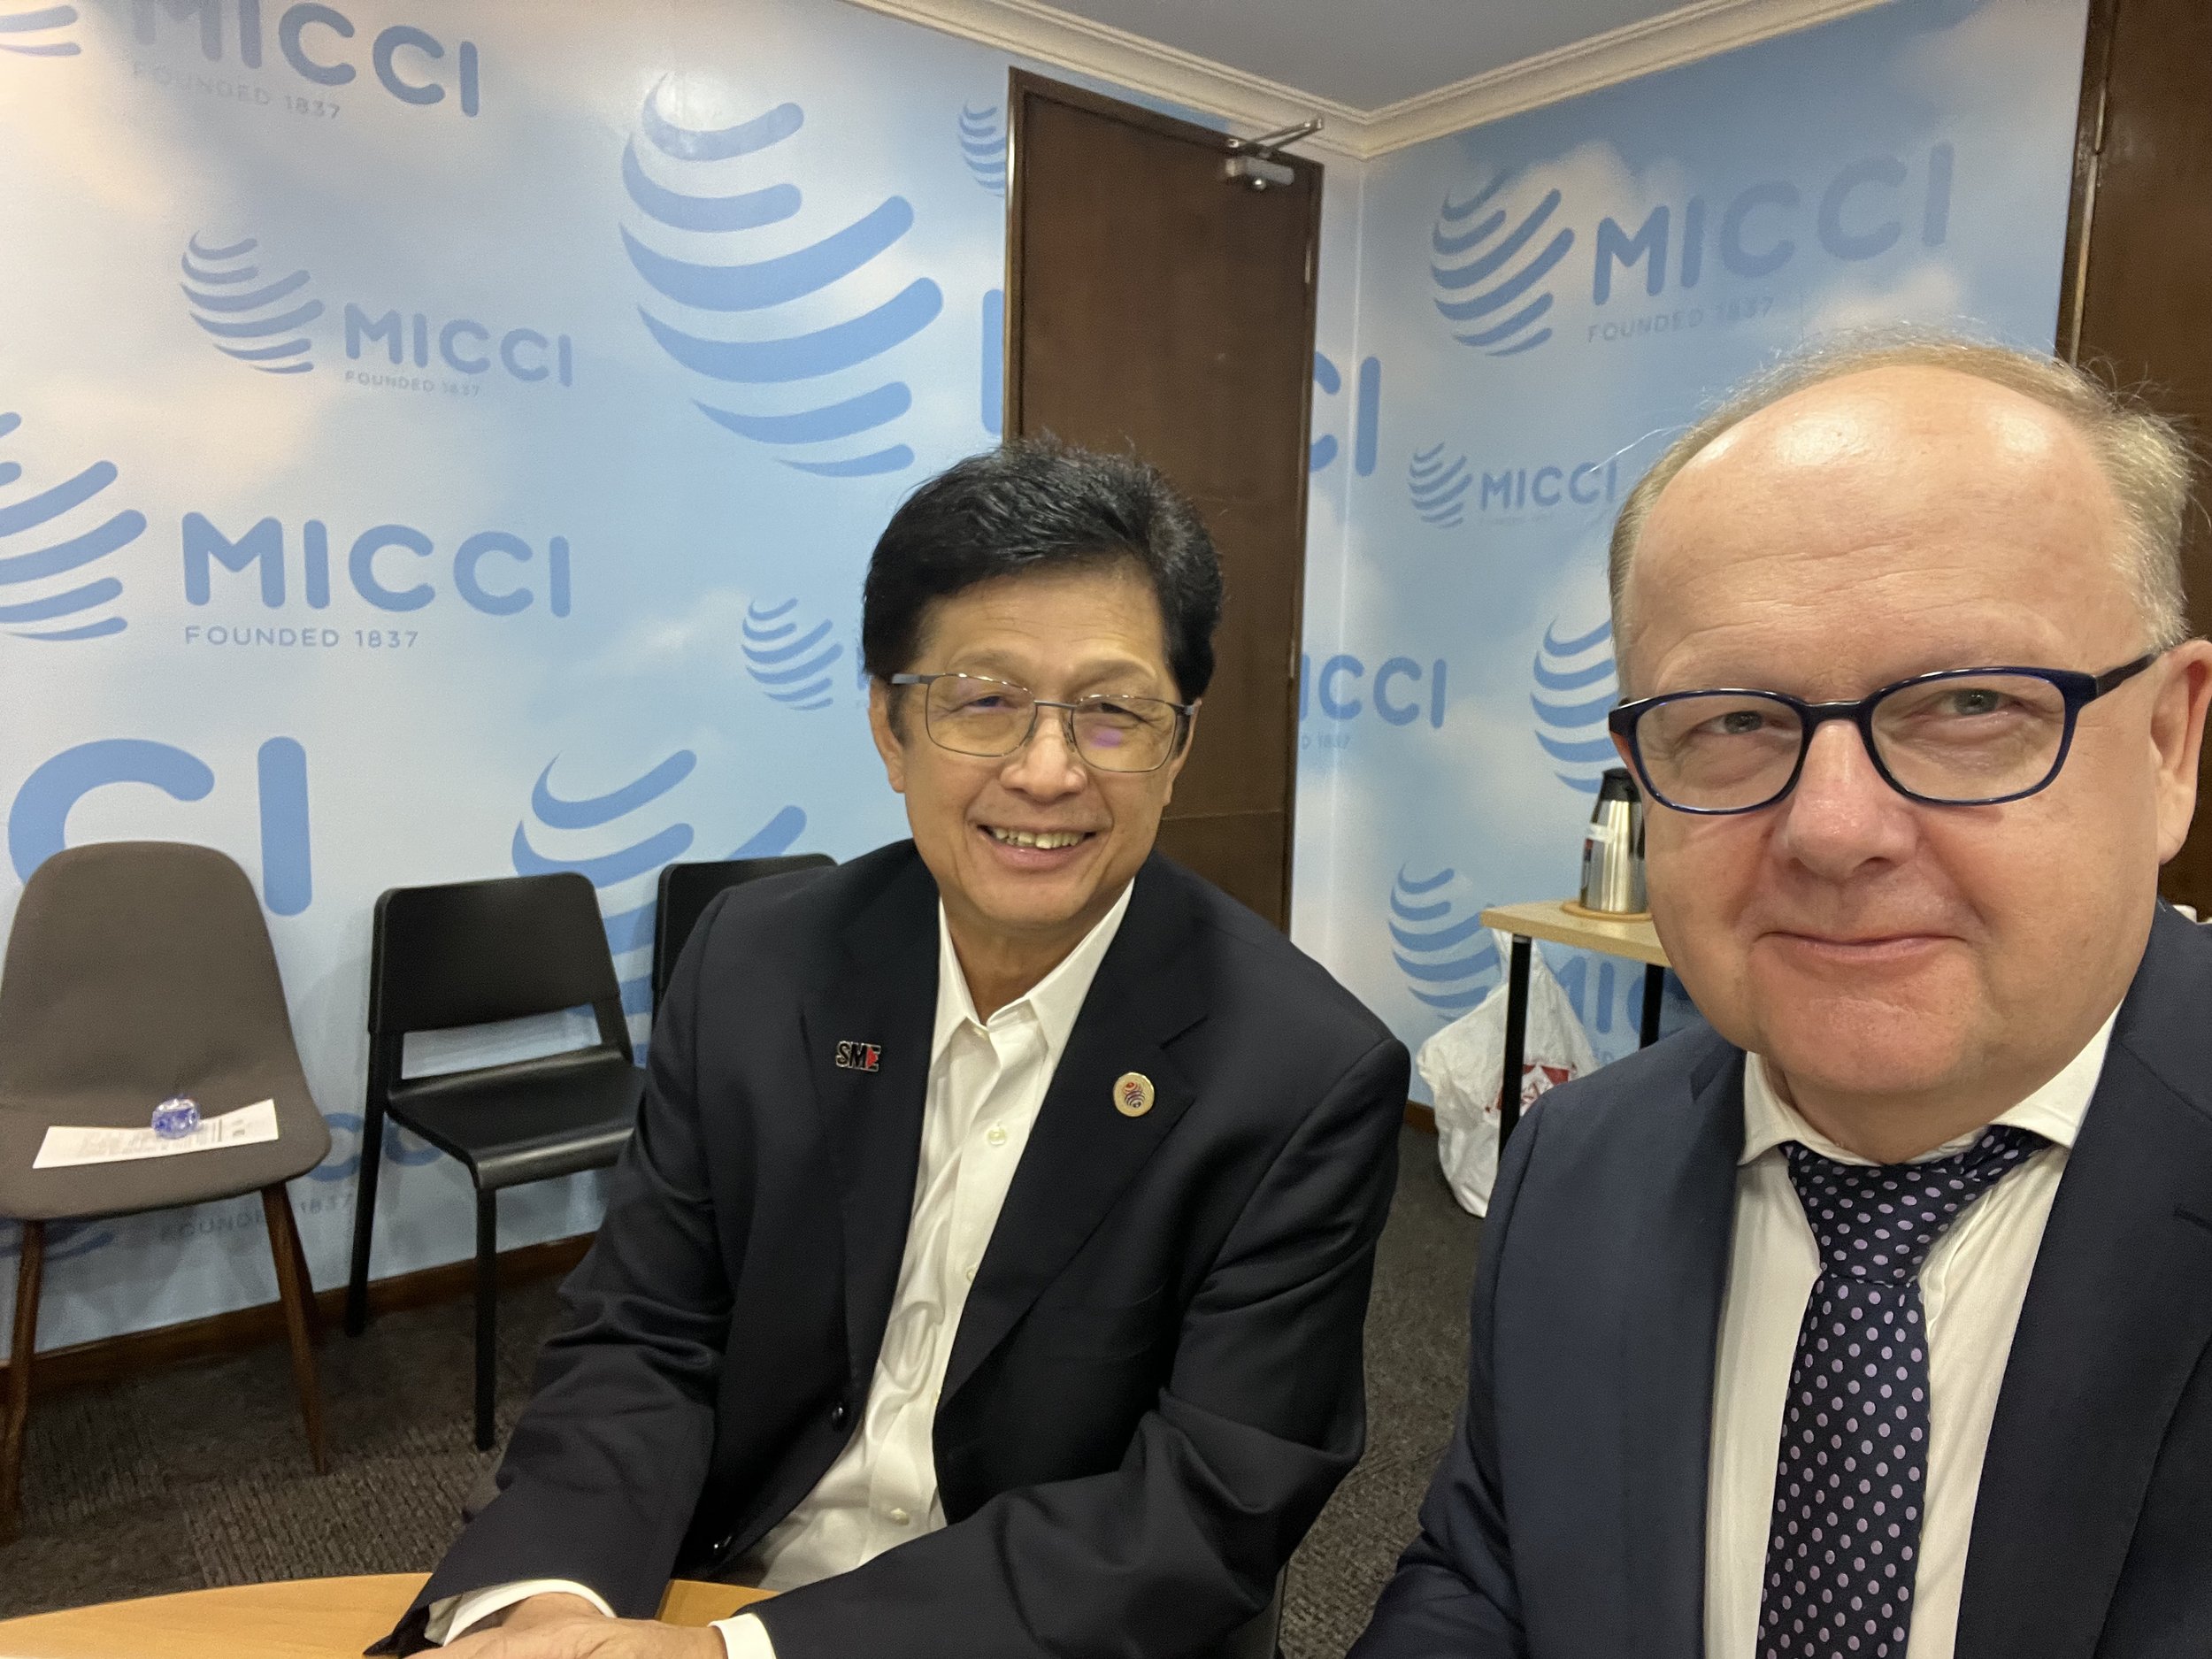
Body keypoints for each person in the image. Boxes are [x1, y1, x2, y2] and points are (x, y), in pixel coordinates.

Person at [379, 439, 1409, 1659]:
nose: (1047, 770)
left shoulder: (1302, 1074)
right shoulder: (754, 963)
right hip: (701, 1586)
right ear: (889, 725)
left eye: (1113, 713)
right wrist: (556, 1604)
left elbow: (1200, 1513)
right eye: (984, 701)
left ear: (1177, 746)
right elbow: (644, 1331)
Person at [1352, 336, 2212, 1659]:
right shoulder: (1579, 1165)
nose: (1831, 828)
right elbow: (1487, 1569)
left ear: (2167, 747)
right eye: (1735, 723)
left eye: (1970, 701)